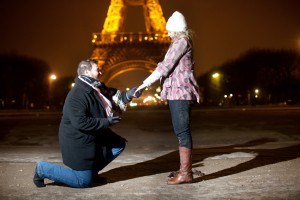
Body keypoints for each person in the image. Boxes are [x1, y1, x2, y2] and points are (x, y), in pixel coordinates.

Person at [33, 59, 142, 188]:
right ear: (86, 72)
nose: (100, 72)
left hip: (92, 134)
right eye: (97, 69)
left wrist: (129, 94)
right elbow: (81, 122)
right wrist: (105, 122)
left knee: (117, 144)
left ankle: (90, 171)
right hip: (78, 140)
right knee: (83, 181)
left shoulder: (97, 87)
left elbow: (113, 96)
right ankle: (42, 169)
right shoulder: (77, 94)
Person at [135, 11, 200, 184]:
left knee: (182, 131)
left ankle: (186, 173)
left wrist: (144, 84)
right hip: (177, 92)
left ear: (177, 30)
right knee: (181, 131)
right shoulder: (180, 42)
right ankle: (184, 170)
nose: (168, 33)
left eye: (170, 31)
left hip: (180, 93)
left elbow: (164, 67)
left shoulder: (181, 42)